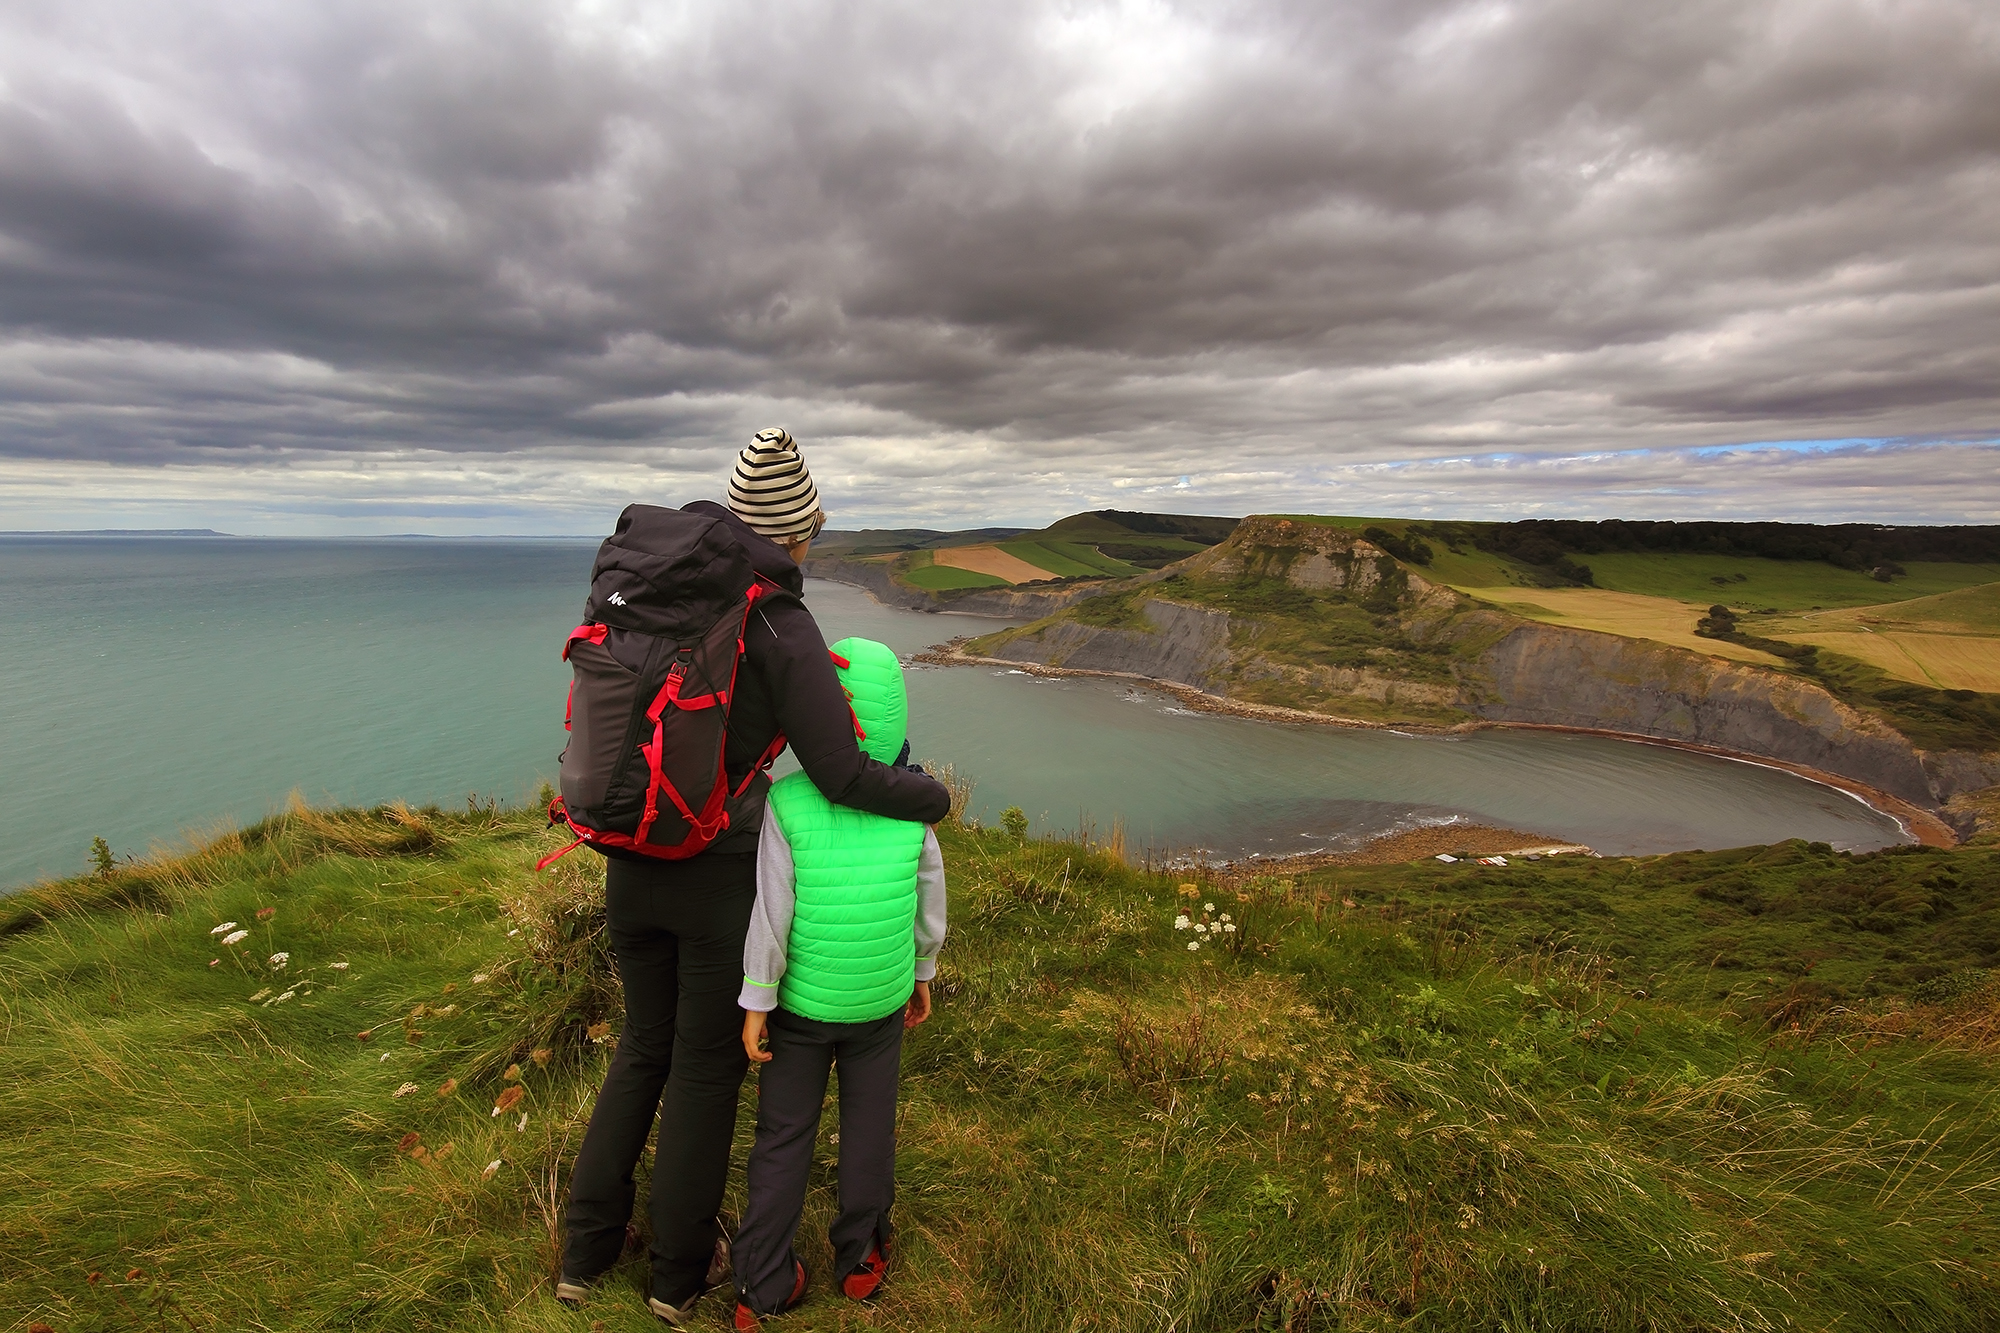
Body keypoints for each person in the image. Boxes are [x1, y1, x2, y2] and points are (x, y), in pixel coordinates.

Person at [557, 430, 950, 1326]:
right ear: (803, 528)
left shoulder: (671, 586)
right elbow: (845, 772)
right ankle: (676, 1275)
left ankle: (583, 1251)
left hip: (626, 858)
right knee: (700, 1069)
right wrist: (932, 796)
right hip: (711, 872)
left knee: (640, 1048)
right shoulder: (778, 620)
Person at [730, 637, 947, 1329]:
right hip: (878, 1001)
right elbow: (928, 909)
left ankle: (762, 1282)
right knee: (869, 1129)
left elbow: (771, 911)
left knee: (784, 1135)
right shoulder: (914, 803)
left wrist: (756, 1000)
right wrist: (922, 973)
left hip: (799, 1007)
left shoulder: (787, 802)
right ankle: (859, 1261)